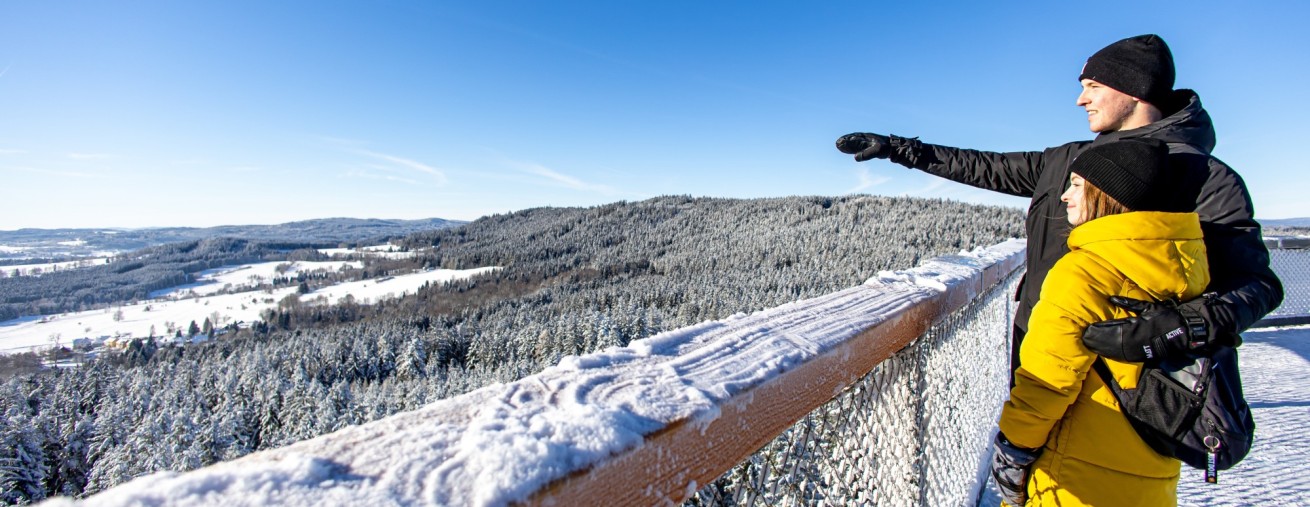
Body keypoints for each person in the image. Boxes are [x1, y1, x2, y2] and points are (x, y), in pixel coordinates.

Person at [834, 34, 1281, 378]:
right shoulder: (1070, 159)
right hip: (1039, 343)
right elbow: (985, 167)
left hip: (1128, 372)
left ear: (1136, 89)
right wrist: (899, 149)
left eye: (1092, 86)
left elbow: (1256, 283)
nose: (1080, 99)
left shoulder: (1203, 176)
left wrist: (1183, 326)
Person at [990, 138, 1203, 506]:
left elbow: (1047, 383)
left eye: (1075, 185)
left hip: (1076, 474)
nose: (1063, 197)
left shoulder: (1083, 273)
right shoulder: (1183, 265)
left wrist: (1011, 450)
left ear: (1105, 194)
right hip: (1150, 463)